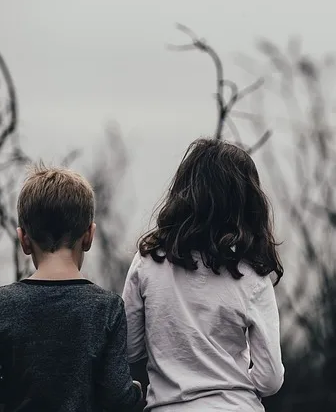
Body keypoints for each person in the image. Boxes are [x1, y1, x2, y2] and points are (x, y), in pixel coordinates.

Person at [122, 138, 285, 411]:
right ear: (247, 202)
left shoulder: (148, 261)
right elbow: (269, 380)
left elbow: (130, 348)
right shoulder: (253, 275)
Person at [0, 164, 145, 411]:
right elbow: (116, 396)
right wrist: (136, 390)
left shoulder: (1, 303)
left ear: (24, 239)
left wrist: (25, 384)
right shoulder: (106, 306)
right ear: (89, 236)